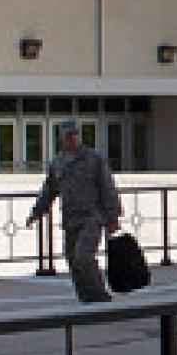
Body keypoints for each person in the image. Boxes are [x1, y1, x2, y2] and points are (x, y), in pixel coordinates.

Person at [27, 120, 122, 303]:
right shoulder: (58, 163)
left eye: (75, 134)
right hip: (70, 219)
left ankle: (99, 294)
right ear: (62, 138)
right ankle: (85, 296)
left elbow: (107, 188)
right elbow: (49, 190)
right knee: (72, 259)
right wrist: (36, 213)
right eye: (68, 135)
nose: (72, 138)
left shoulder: (93, 159)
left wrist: (113, 217)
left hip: (91, 216)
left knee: (84, 255)